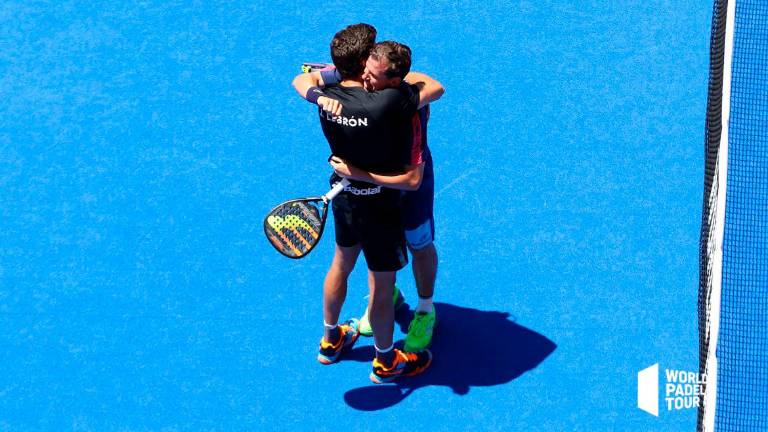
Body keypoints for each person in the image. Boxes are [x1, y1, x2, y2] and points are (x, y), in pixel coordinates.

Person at [291, 24, 444, 383]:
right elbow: (434, 87)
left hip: (349, 194)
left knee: (348, 263)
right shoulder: (392, 102)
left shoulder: (329, 94)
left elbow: (302, 80)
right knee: (380, 283)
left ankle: (336, 338)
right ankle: (386, 361)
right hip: (385, 198)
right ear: (362, 64)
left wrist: (317, 93)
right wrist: (364, 174)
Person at [327, 41, 440, 354]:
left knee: (419, 245)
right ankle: (385, 299)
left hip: (408, 188)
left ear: (393, 82)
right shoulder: (362, 86)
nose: (365, 78)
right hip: (377, 196)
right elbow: (308, 75)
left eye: (373, 75)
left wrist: (359, 175)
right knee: (377, 256)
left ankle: (425, 309)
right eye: (365, 69)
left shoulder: (410, 111)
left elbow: (413, 179)